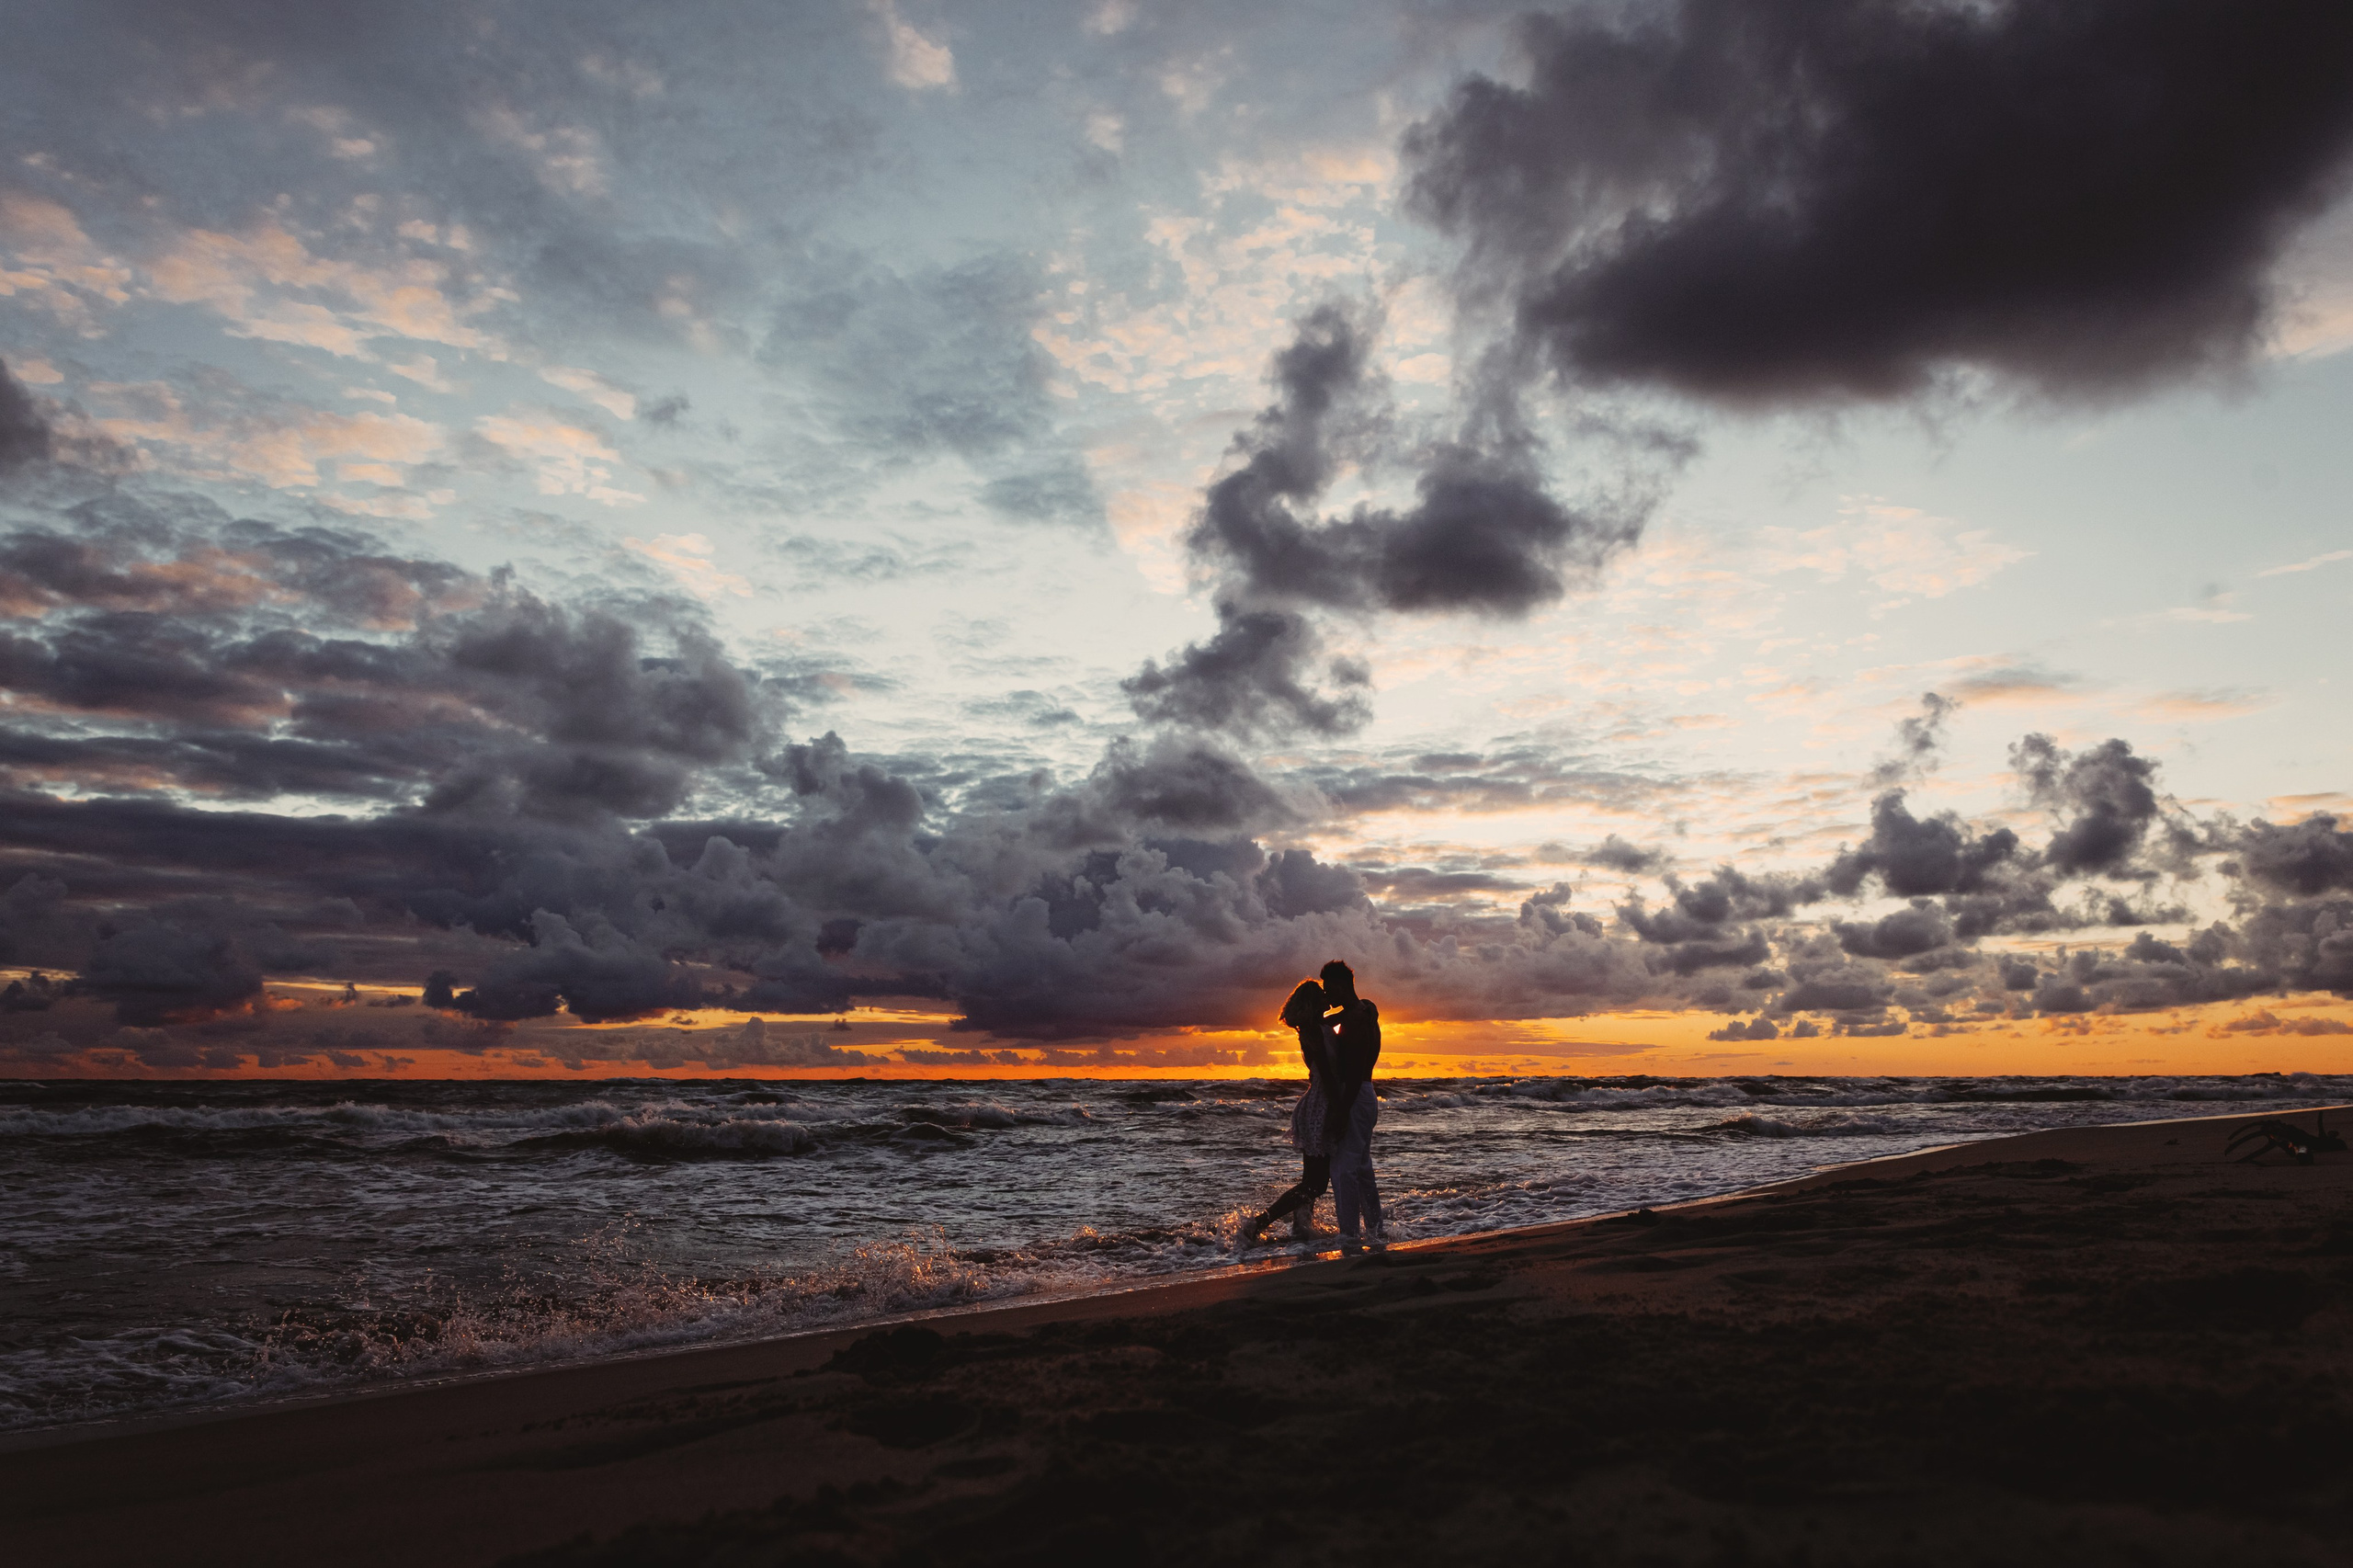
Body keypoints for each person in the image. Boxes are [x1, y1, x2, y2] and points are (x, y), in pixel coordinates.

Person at [1242, 979, 1335, 1244]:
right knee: (1315, 1185)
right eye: (1323, 996)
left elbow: (1336, 1019)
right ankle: (1261, 1221)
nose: (1328, 999)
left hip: (1315, 1102)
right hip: (1321, 1104)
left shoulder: (1313, 1027)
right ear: (1315, 1003)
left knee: (1312, 1182)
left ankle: (1301, 1229)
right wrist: (1338, 1106)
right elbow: (1327, 1073)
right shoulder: (1314, 1031)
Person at [1318, 960, 1384, 1251]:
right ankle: (1375, 1231)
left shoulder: (1357, 1019)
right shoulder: (1361, 1012)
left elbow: (1355, 1071)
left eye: (1329, 988)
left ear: (1343, 986)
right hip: (1365, 1095)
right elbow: (1345, 1014)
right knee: (1361, 1168)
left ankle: (1349, 1235)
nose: (1326, 994)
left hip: (1355, 1095)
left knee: (1344, 1168)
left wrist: (1341, 1111)